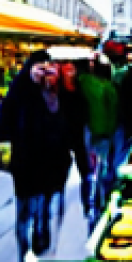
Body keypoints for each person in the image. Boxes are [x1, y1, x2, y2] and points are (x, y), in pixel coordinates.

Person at [0, 50, 74, 262]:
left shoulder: (55, 92)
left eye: (47, 67)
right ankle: (24, 254)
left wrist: (57, 86)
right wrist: (7, 159)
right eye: (39, 68)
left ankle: (41, 239)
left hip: (51, 163)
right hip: (25, 164)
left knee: (43, 207)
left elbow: (65, 122)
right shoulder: (18, 93)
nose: (43, 73)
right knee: (24, 212)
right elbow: (4, 127)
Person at [78, 56, 118, 216]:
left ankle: (90, 201)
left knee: (90, 167)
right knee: (102, 166)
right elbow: (114, 111)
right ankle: (100, 198)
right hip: (105, 133)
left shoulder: (84, 82)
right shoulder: (110, 87)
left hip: (90, 131)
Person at [57, 59, 92, 217]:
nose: (70, 72)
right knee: (61, 172)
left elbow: (85, 108)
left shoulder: (81, 87)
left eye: (72, 69)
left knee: (85, 171)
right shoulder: (56, 90)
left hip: (79, 134)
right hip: (62, 136)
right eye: (66, 69)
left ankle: (87, 204)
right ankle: (58, 207)